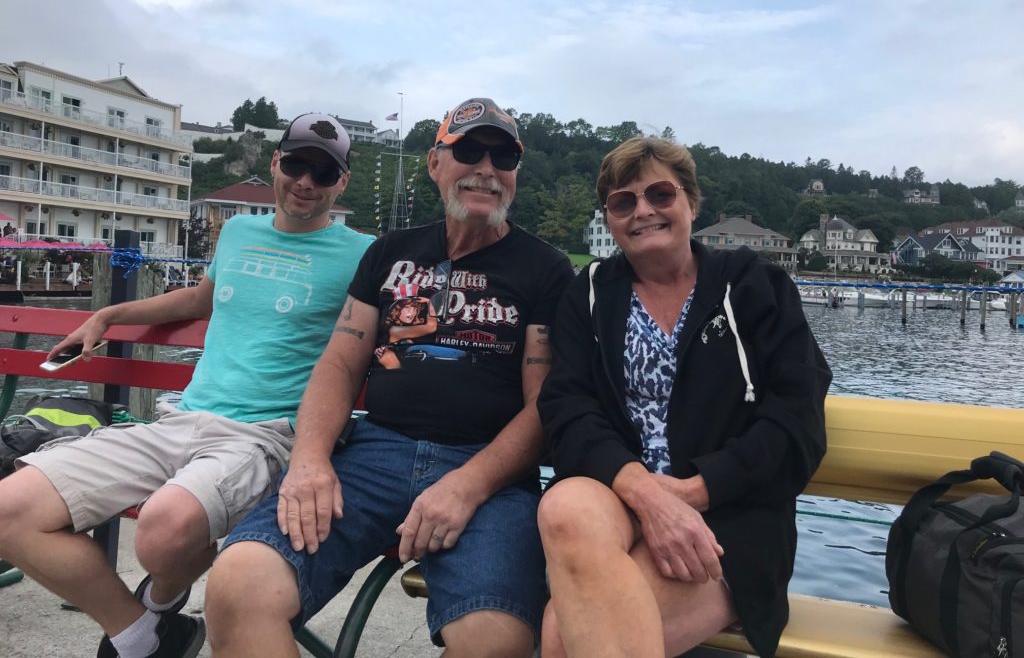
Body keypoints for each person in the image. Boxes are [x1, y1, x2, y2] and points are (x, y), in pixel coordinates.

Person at [204, 97, 575, 658]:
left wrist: (467, 486)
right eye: (469, 150)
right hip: (374, 454)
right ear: (434, 163)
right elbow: (339, 363)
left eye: (503, 158)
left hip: (487, 474)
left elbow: (543, 405)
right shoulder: (390, 253)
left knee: (493, 642)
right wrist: (309, 460)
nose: (486, 169)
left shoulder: (545, 268)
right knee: (238, 584)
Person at [0, 113, 374, 658]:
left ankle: (159, 601)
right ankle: (143, 636)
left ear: (341, 182)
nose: (306, 182)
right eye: (296, 164)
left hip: (262, 437)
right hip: (180, 418)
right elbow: (198, 300)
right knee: (12, 508)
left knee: (161, 530)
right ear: (276, 163)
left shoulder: (362, 253)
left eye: (323, 172)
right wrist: (109, 314)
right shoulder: (240, 231)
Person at [535, 136, 831, 658]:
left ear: (691, 202)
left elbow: (796, 423)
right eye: (623, 203)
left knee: (562, 637)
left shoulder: (755, 286)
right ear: (610, 219)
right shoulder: (588, 294)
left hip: (733, 514)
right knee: (562, 507)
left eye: (660, 194)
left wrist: (694, 493)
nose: (643, 210)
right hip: (622, 495)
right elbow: (567, 410)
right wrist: (648, 498)